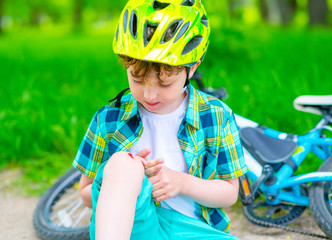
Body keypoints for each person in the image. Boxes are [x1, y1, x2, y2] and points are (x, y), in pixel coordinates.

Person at [72, 0, 248, 239]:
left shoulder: (216, 116)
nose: (150, 95)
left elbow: (229, 193)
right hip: (133, 226)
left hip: (192, 230)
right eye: (136, 80)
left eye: (165, 83)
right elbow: (85, 193)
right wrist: (126, 187)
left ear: (192, 68)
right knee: (125, 165)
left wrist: (182, 183)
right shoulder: (109, 119)